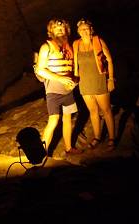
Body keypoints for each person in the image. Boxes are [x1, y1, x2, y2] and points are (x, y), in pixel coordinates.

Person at [35, 18, 81, 156]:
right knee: (53, 121)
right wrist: (61, 78)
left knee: (67, 119)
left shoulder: (69, 47)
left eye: (62, 28)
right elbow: (40, 70)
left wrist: (75, 81)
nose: (60, 30)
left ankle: (68, 148)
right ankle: (41, 154)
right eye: (56, 28)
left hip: (68, 91)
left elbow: (73, 69)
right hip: (53, 91)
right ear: (51, 31)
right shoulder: (46, 47)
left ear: (66, 30)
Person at [73, 18, 116, 151]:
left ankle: (111, 138)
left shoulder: (98, 41)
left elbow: (109, 60)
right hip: (84, 82)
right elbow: (75, 64)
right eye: (81, 29)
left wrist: (111, 79)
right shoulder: (76, 44)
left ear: (91, 29)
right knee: (93, 111)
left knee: (106, 111)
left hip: (99, 80)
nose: (84, 31)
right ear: (78, 32)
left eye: (86, 28)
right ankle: (97, 137)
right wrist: (74, 80)